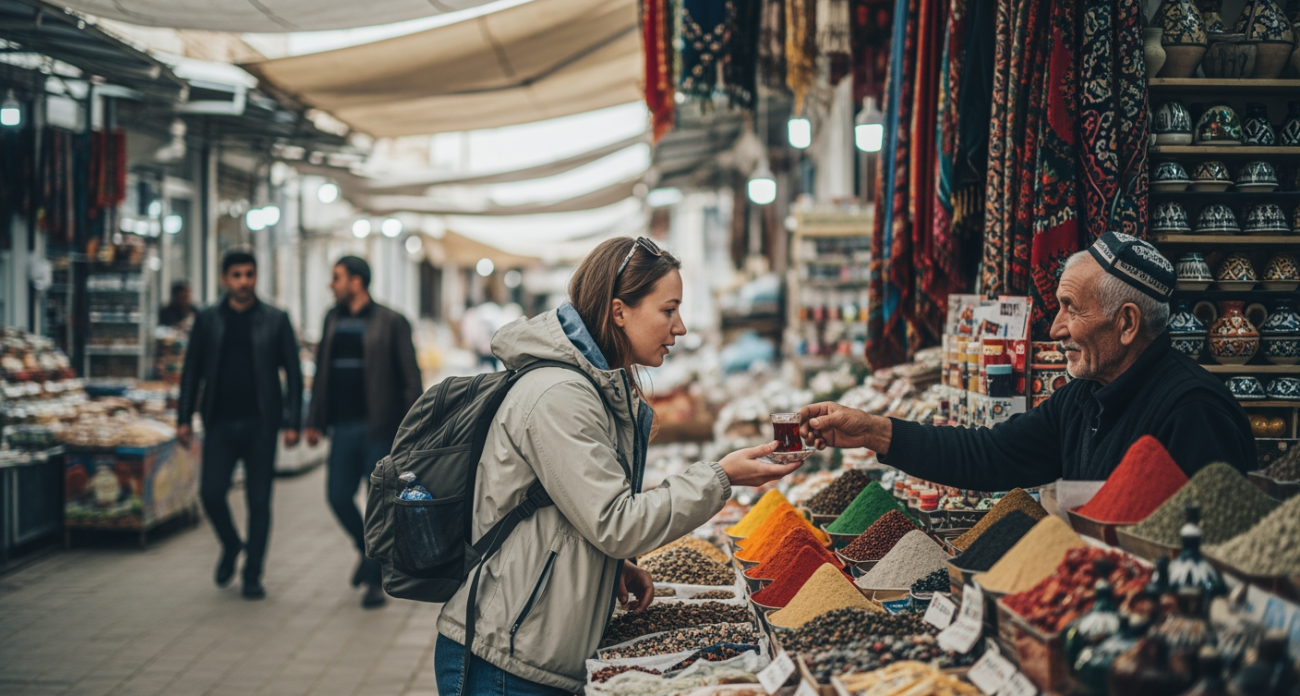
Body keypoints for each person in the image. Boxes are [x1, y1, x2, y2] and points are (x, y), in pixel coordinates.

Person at [434, 237, 802, 695]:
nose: (681, 327)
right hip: (504, 661)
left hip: (533, 650)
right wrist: (720, 476)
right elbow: (616, 521)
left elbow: (578, 511)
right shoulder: (559, 396)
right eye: (669, 310)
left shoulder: (595, 385)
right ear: (618, 310)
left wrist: (607, 566)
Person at [800, 232, 1254, 488]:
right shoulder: (1084, 397)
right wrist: (873, 431)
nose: (1055, 329)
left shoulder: (1194, 412)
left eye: (1070, 308)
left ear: (1128, 324)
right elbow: (991, 455)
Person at [177, 249, 303, 600]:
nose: (244, 281)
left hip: (261, 425)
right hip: (219, 423)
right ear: (224, 279)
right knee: (211, 493)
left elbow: (293, 373)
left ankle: (253, 574)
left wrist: (293, 421)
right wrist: (183, 418)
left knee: (259, 502)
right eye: (237, 275)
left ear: (255, 277)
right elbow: (191, 372)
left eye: (249, 274)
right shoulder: (208, 320)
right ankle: (232, 545)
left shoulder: (276, 319)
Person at [305, 256, 422, 609]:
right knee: (338, 496)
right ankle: (369, 553)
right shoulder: (332, 318)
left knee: (377, 507)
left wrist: (413, 431)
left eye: (337, 278)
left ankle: (374, 581)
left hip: (379, 428)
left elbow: (410, 379)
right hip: (342, 426)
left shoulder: (392, 321)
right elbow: (321, 371)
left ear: (356, 282)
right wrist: (314, 419)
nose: (332, 284)